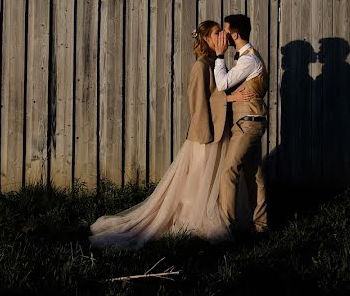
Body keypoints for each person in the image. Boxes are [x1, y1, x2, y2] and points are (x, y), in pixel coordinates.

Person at [88, 21, 254, 249]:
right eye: (217, 33)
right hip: (206, 134)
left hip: (219, 131)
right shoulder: (200, 67)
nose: (222, 36)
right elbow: (198, 103)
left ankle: (223, 215)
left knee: (216, 179)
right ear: (206, 39)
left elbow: (219, 89)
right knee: (199, 180)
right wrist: (218, 114)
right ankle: (194, 217)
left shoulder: (214, 62)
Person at [213, 14, 269, 235]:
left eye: (226, 32)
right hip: (246, 122)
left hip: (248, 124)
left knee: (229, 170)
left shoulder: (248, 60)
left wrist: (219, 56)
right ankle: (261, 227)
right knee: (254, 174)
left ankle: (227, 226)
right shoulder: (245, 57)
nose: (223, 36)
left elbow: (222, 84)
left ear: (234, 34)